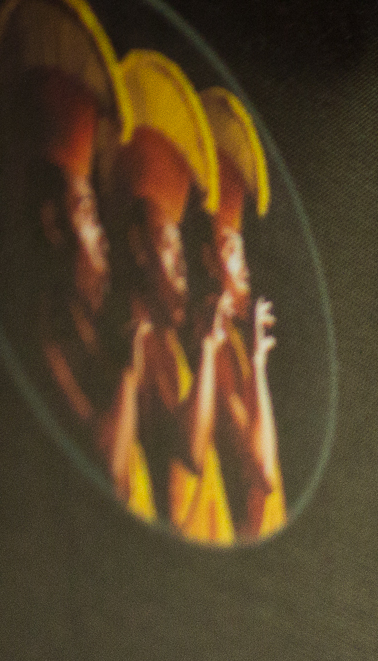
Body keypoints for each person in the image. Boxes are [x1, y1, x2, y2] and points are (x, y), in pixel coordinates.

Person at [0, 0, 148, 507]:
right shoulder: (44, 339)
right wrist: (128, 371)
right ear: (52, 224)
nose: (103, 239)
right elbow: (108, 469)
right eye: (87, 214)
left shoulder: (85, 334)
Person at [110, 48, 233, 543]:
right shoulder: (135, 336)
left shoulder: (166, 342)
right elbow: (187, 452)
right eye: (167, 245)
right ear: (138, 246)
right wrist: (207, 350)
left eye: (183, 251)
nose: (182, 269)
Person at [198, 87, 285, 540]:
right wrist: (258, 366)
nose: (244, 265)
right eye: (231, 249)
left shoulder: (228, 340)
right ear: (206, 260)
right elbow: (261, 472)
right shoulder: (211, 348)